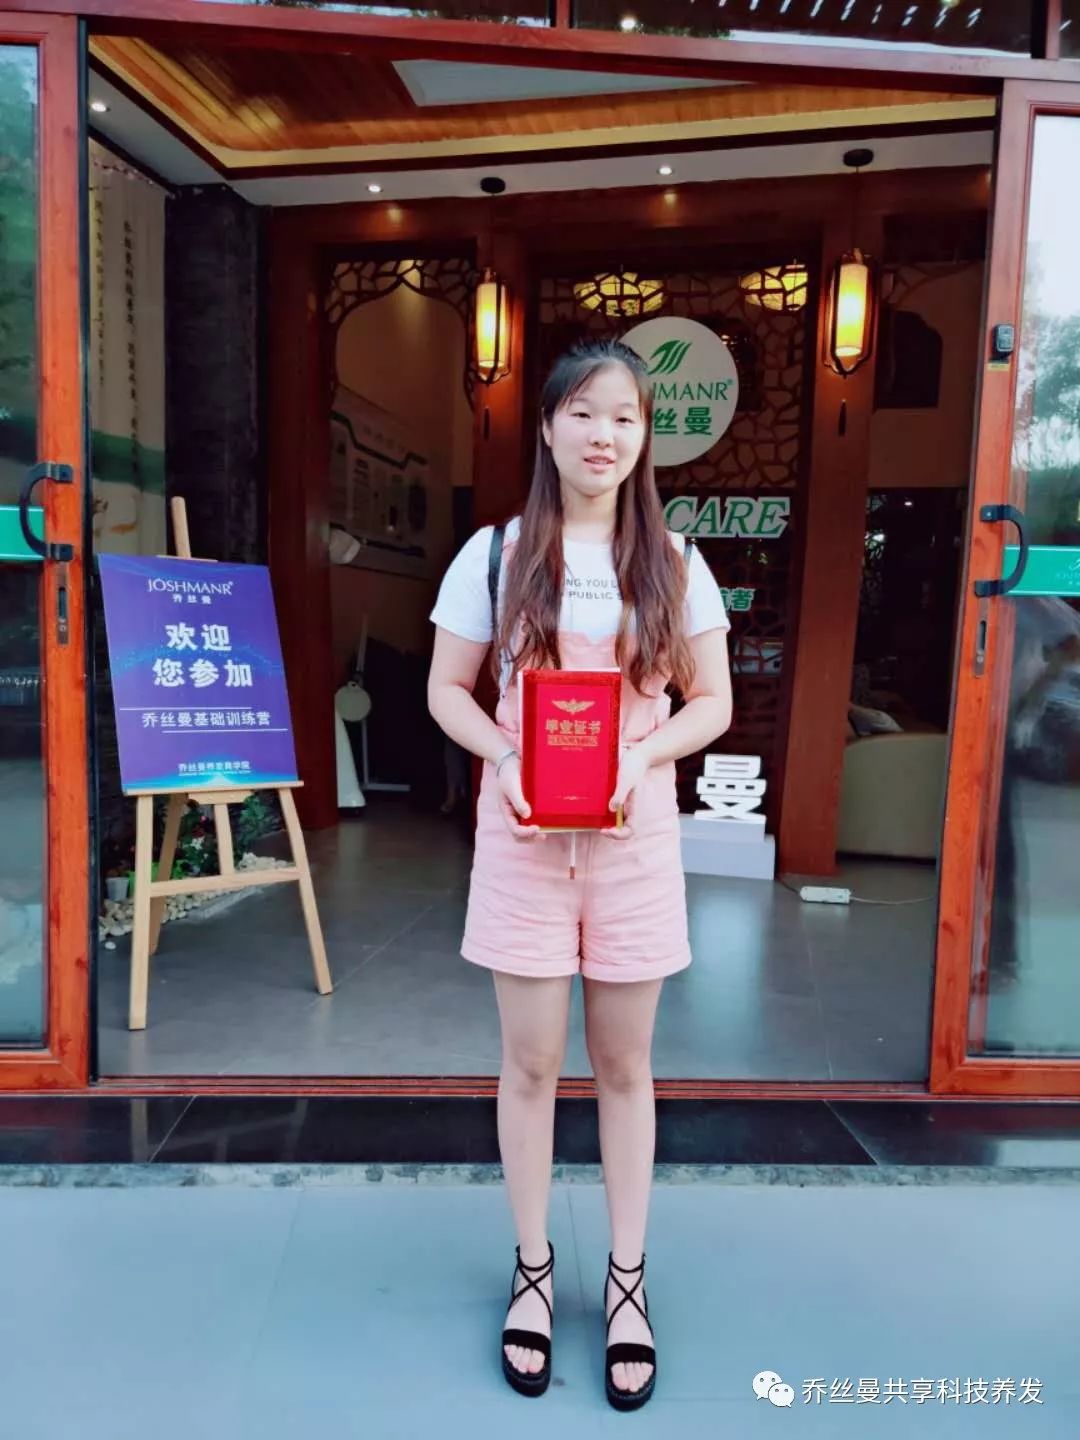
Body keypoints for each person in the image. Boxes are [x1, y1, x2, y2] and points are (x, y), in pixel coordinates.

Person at [426, 337, 732, 1411]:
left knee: (625, 1065)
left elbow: (712, 703)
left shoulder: (676, 563)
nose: (606, 435)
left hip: (634, 845)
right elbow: (448, 691)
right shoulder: (495, 554)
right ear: (550, 427)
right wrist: (506, 756)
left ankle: (627, 1280)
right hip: (522, 841)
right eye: (586, 414)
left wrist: (641, 757)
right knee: (528, 1063)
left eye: (626, 418)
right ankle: (533, 1269)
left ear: (646, 437)